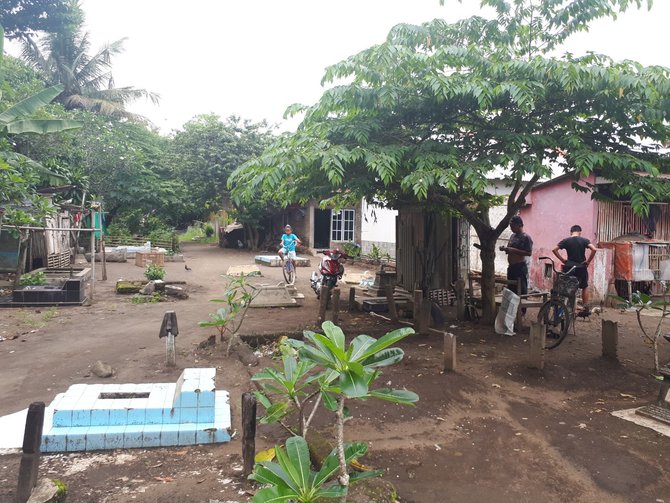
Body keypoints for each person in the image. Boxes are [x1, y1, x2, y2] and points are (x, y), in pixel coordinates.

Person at [552, 224, 598, 314]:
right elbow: (594, 249)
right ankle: (585, 308)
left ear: (571, 232)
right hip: (581, 267)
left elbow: (554, 250)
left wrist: (562, 260)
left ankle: (565, 306)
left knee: (566, 286)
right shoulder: (584, 240)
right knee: (584, 286)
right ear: (580, 232)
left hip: (569, 267)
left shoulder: (566, 241)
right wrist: (588, 261)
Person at [499, 215, 533, 298]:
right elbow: (509, 249)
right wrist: (505, 249)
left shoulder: (526, 237)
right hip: (511, 267)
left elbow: (529, 253)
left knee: (521, 289)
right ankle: (513, 310)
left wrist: (512, 250)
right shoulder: (512, 236)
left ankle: (522, 310)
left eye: (513, 226)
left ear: (519, 225)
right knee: (511, 289)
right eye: (510, 226)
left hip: (520, 267)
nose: (511, 228)